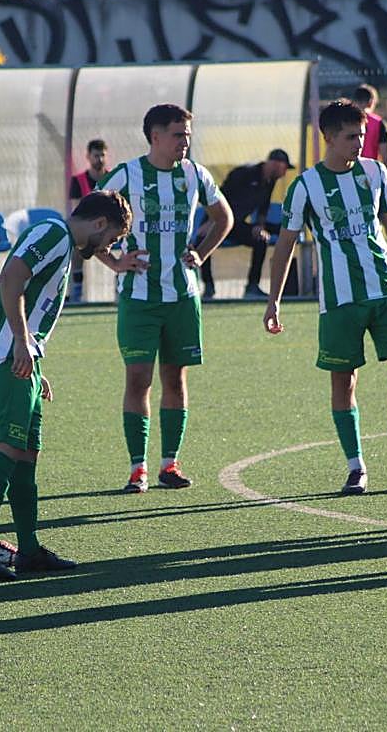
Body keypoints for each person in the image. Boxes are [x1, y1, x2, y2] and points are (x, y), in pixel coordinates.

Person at [264, 99, 387, 495]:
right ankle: (355, 466)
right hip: (340, 301)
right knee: (344, 382)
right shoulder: (306, 186)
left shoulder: (375, 171)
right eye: (351, 136)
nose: (359, 143)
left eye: (362, 135)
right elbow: (285, 246)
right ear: (328, 137)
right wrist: (273, 300)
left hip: (386, 292)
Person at [0, 190, 133, 580]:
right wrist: (20, 342)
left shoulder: (61, 241)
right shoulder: (53, 232)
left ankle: (29, 548)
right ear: (101, 223)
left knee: (25, 454)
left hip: (24, 358)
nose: (110, 247)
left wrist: (33, 355)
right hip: (9, 355)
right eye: (113, 239)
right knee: (8, 444)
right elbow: (11, 279)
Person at [96, 104, 234, 493]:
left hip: (182, 296)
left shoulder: (195, 174)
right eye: (178, 134)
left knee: (175, 377)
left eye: (188, 134)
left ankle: (169, 465)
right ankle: (137, 468)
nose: (184, 142)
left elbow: (224, 218)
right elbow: (86, 220)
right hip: (139, 297)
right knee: (138, 379)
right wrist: (114, 261)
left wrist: (201, 253)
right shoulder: (126, 174)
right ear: (155, 136)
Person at [197, 148, 292, 300]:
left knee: (262, 239)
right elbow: (220, 197)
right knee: (202, 240)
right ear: (275, 163)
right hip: (219, 221)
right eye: (285, 167)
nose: (285, 172)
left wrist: (259, 227)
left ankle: (252, 287)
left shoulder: (270, 181)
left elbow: (263, 207)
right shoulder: (244, 173)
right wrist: (211, 222)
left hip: (237, 225)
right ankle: (208, 287)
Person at [68, 138, 110, 302]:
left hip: (109, 228)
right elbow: (77, 210)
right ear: (88, 156)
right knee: (77, 248)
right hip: (89, 229)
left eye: (102, 155)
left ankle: (120, 287)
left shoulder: (112, 177)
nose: (99, 159)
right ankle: (76, 292)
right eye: (96, 155)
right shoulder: (78, 180)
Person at [350, 84, 387, 169]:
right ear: (371, 102)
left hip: (349, 169)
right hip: (370, 171)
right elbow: (385, 157)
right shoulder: (378, 122)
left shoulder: (346, 121)